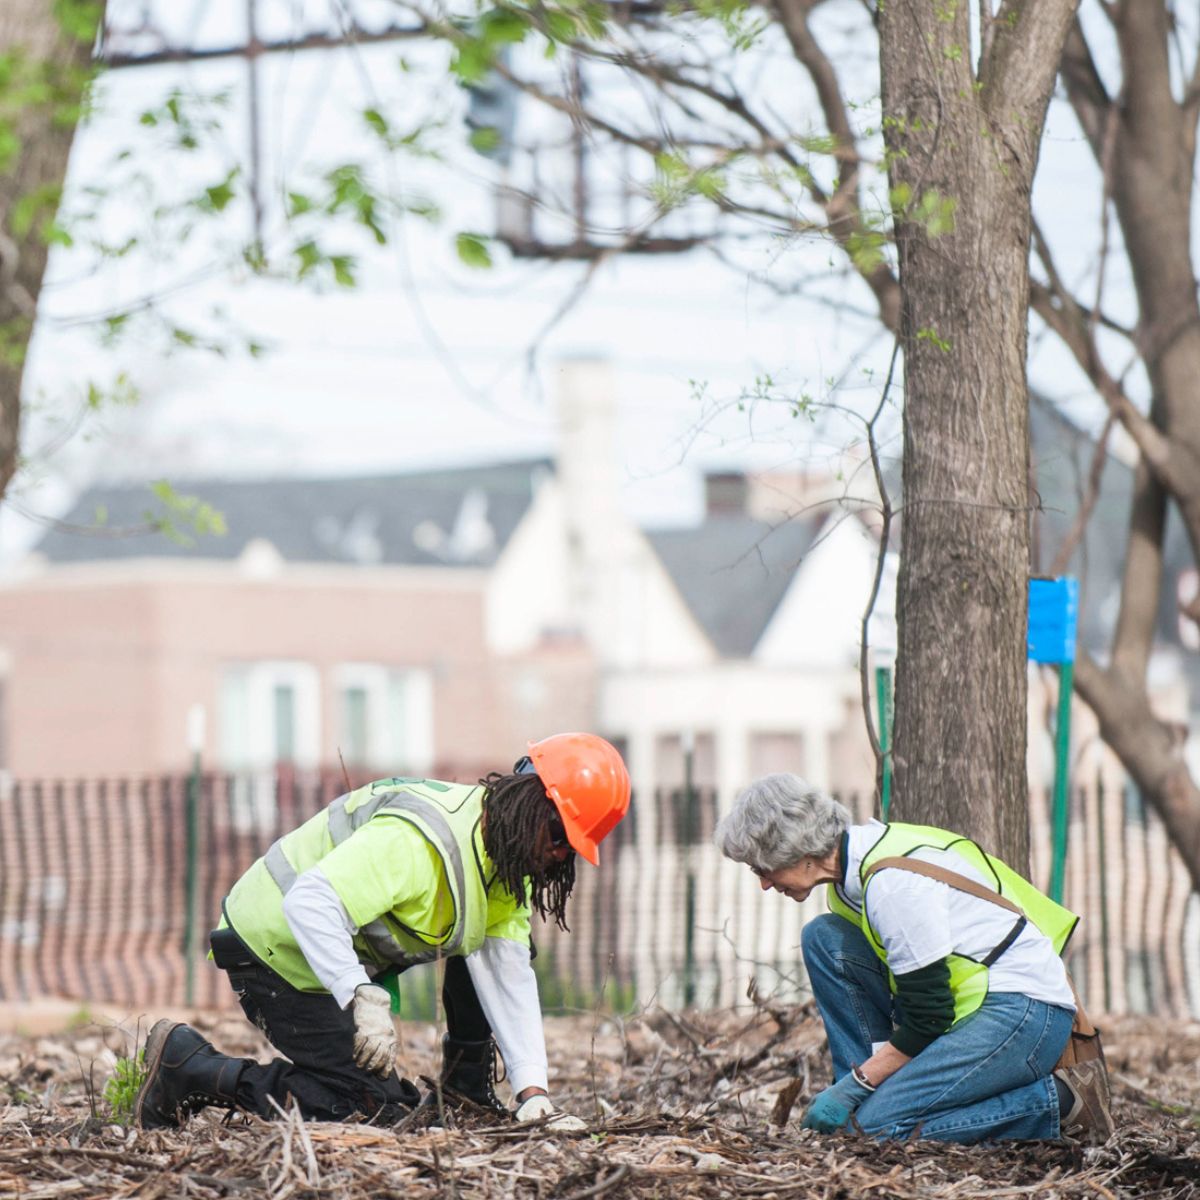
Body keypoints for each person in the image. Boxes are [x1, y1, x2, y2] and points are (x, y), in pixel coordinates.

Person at [135, 732, 631, 1131]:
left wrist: (534, 1095)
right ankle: (191, 1068)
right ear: (530, 801)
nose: (562, 855)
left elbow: (507, 974)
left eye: (574, 849)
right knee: (366, 1107)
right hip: (273, 949)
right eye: (562, 836)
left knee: (496, 947)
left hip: (319, 954)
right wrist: (359, 995)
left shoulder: (503, 865)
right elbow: (310, 902)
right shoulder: (418, 843)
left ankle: (464, 1092)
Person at [715, 773, 1114, 1144]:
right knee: (824, 938)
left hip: (1024, 1016)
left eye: (762, 868)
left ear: (795, 850)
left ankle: (1056, 1104)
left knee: (869, 1131)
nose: (765, 884)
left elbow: (928, 1016)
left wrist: (855, 1086)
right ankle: (866, 1102)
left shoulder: (892, 887)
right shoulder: (850, 878)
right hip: (972, 1009)